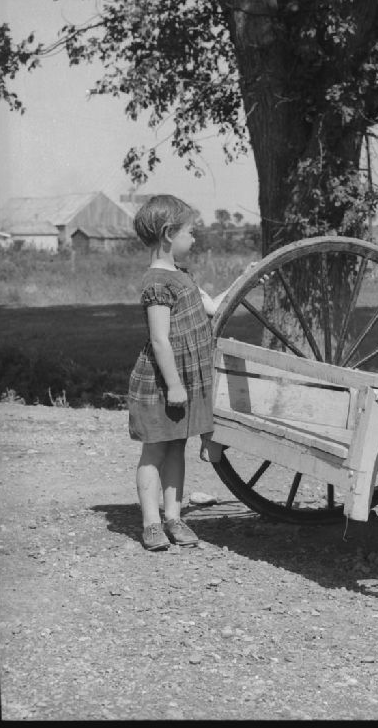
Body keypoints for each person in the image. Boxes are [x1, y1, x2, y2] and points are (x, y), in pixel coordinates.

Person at [127, 194, 252, 550]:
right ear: (169, 234)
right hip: (163, 384)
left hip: (183, 381)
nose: (195, 239)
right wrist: (174, 386)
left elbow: (213, 307)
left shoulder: (183, 276)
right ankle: (151, 524)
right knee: (155, 450)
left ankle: (174, 517)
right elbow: (159, 339)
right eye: (190, 232)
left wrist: (246, 279)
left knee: (176, 449)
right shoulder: (157, 282)